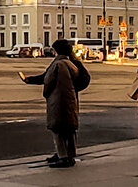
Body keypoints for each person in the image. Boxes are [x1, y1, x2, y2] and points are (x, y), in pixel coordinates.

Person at [20, 39, 88, 169]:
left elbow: (47, 80)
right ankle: (69, 155)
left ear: (57, 50)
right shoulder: (74, 63)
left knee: (58, 128)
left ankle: (63, 156)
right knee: (70, 128)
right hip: (70, 99)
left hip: (59, 99)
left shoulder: (58, 64)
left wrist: (31, 81)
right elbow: (85, 79)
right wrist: (72, 89)